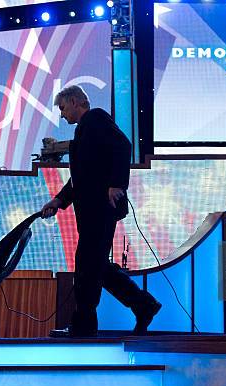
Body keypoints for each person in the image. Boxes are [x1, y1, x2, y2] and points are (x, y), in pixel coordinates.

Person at [41, 85, 161, 337]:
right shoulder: (85, 130)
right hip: (91, 211)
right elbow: (80, 177)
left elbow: (123, 145)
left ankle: (84, 325)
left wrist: (117, 184)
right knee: (96, 266)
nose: (62, 115)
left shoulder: (95, 118)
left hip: (100, 210)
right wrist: (59, 200)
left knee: (87, 265)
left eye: (63, 108)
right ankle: (143, 305)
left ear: (75, 101)